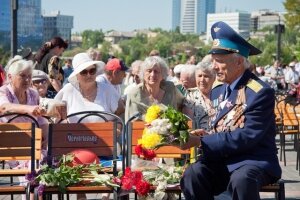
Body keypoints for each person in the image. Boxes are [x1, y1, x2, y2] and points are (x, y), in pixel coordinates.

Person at [180, 21, 281, 200]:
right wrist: (205, 134)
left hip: (252, 160)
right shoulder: (218, 90)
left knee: (241, 180)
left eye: (219, 62)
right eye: (213, 62)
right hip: (224, 160)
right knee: (192, 174)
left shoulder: (259, 92)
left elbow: (247, 136)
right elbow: (223, 125)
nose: (214, 67)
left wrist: (202, 142)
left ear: (239, 62)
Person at [55, 52, 123, 123]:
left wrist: (115, 127)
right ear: (76, 76)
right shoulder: (68, 90)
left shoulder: (108, 90)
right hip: (74, 133)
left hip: (104, 133)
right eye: (84, 72)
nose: (88, 75)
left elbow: (121, 115)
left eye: (92, 71)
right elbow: (55, 116)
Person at [125, 56, 184, 122]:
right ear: (143, 74)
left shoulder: (170, 88)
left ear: (163, 75)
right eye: (149, 71)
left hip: (170, 131)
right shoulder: (134, 94)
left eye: (156, 71)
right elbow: (131, 121)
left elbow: (184, 102)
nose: (152, 74)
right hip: (142, 131)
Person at [183, 55, 215, 131]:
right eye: (199, 76)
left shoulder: (221, 93)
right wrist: (190, 133)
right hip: (198, 137)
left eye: (206, 76)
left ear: (214, 78)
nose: (202, 80)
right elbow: (188, 118)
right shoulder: (191, 95)